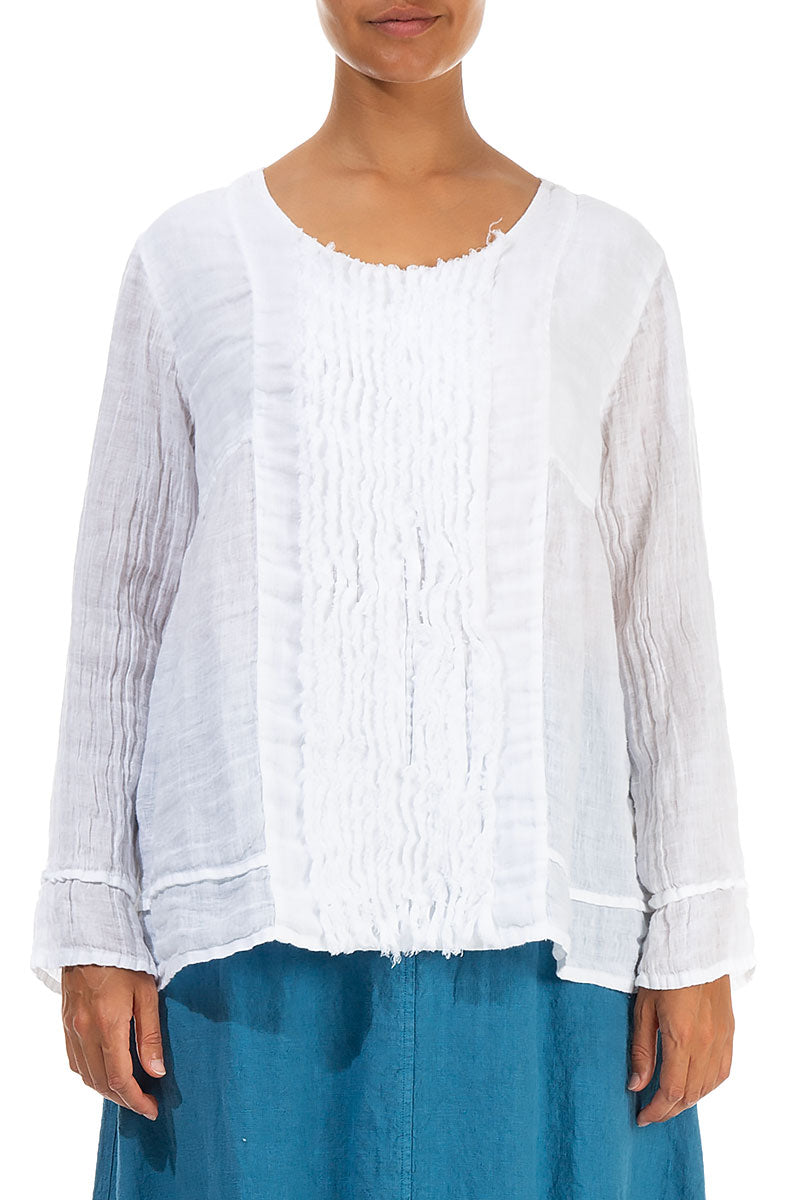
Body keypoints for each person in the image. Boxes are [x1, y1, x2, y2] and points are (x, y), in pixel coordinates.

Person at [31, 3, 756, 1197]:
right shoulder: (189, 261)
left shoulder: (608, 266)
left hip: (545, 952)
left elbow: (659, 622)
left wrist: (693, 935)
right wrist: (94, 925)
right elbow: (121, 613)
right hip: (244, 956)